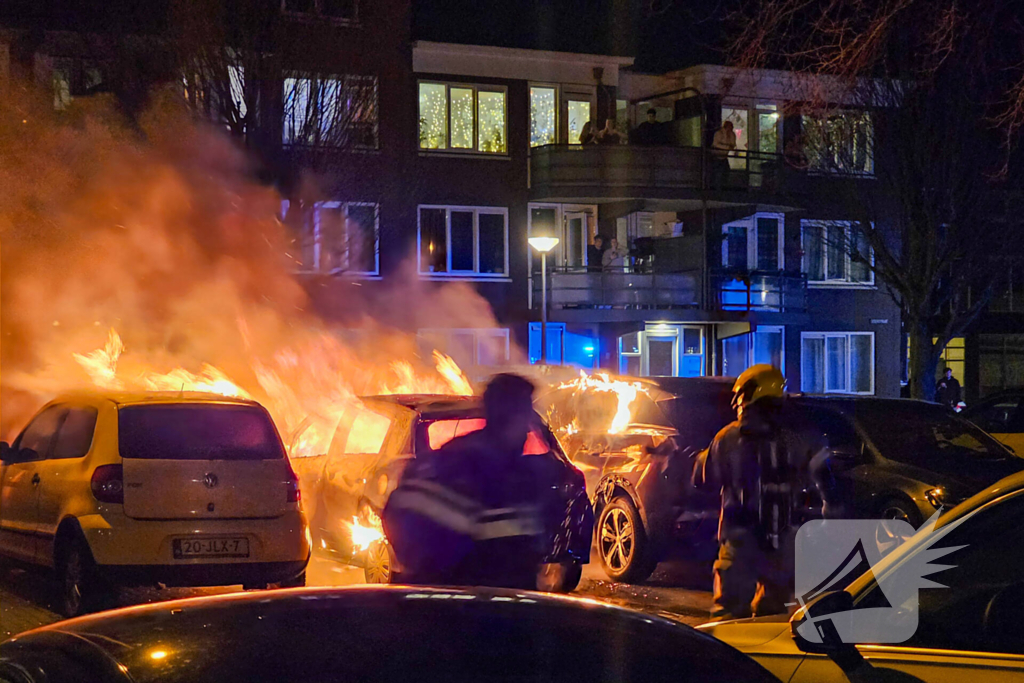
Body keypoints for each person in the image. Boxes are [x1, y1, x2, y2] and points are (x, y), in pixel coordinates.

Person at [382, 374, 547, 589]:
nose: (528, 428)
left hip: (477, 600)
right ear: (511, 417)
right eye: (525, 416)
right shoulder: (479, 469)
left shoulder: (454, 457)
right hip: (471, 603)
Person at [693, 365, 826, 621]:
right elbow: (819, 479)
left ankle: (729, 647)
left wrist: (698, 458)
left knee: (729, 615)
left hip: (740, 540)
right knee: (771, 617)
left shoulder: (729, 438)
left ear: (748, 395)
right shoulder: (799, 438)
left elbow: (705, 480)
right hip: (783, 541)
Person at [711, 120, 737, 185]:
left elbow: (733, 144)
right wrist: (728, 147)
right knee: (718, 173)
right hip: (716, 156)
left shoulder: (732, 134)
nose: (731, 128)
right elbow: (715, 144)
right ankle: (717, 186)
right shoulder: (719, 133)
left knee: (725, 172)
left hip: (724, 157)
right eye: (730, 127)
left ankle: (723, 185)